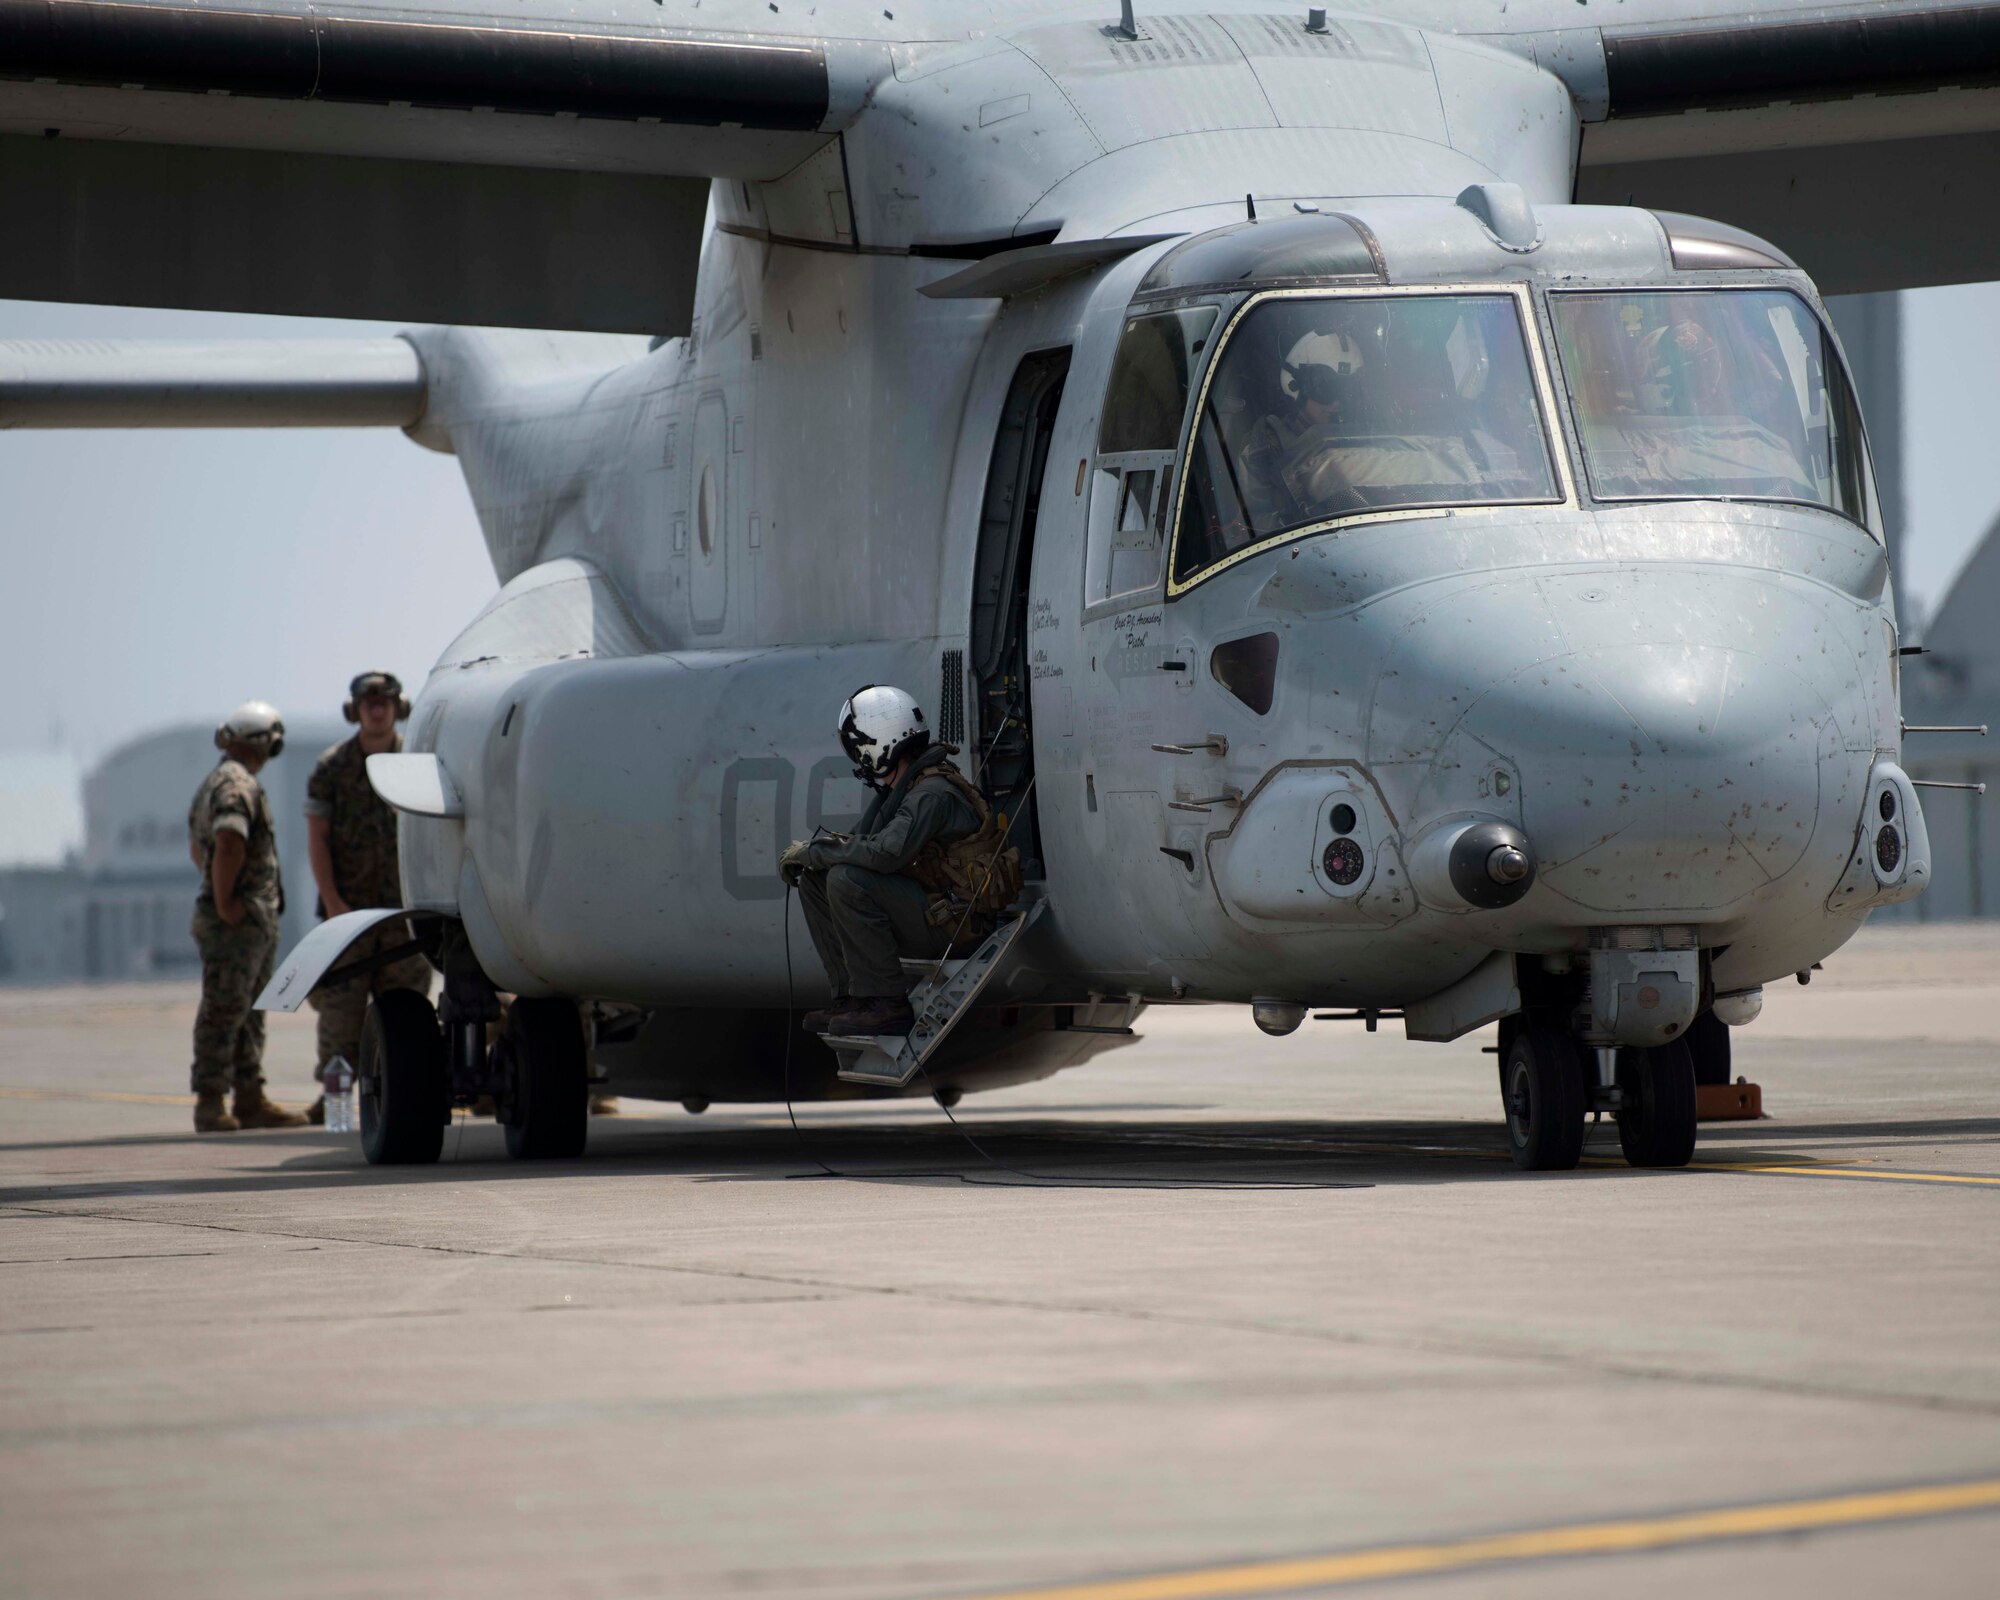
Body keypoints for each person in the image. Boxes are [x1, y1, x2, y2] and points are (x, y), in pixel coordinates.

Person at [781, 685, 1021, 1038]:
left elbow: (884, 853)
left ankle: (886, 1004)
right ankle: (851, 998)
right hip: (933, 909)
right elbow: (864, 842)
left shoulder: (930, 794)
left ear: (877, 746)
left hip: (956, 925)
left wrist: (814, 851)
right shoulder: (904, 789)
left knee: (846, 880)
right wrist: (814, 858)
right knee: (818, 881)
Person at [303, 671, 434, 1122]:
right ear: (355, 709)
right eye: (368, 702)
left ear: (399, 707)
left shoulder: (416, 760)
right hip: (349, 917)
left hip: (405, 919)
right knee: (340, 1021)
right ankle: (336, 1105)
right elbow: (317, 839)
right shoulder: (332, 768)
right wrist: (334, 902)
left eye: (385, 701)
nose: (377, 709)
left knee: (409, 1018)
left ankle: (409, 1103)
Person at [186, 701, 308, 1132]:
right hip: (236, 923)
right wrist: (225, 901)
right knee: (226, 1007)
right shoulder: (237, 783)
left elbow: (198, 848)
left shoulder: (217, 781)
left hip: (247, 921)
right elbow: (228, 840)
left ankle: (249, 1098)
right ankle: (211, 1101)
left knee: (248, 1009)